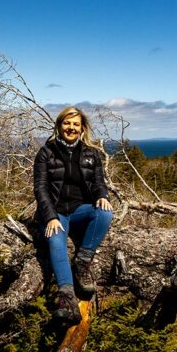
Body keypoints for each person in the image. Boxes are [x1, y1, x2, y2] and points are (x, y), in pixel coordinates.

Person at [34, 106, 113, 325]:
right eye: (67, 123)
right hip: (56, 212)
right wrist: (49, 217)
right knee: (56, 239)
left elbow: (98, 182)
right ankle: (67, 298)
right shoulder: (46, 152)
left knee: (105, 212)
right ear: (59, 126)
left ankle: (82, 262)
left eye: (76, 124)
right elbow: (40, 188)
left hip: (80, 210)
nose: (71, 128)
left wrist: (102, 195)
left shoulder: (91, 153)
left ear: (82, 128)